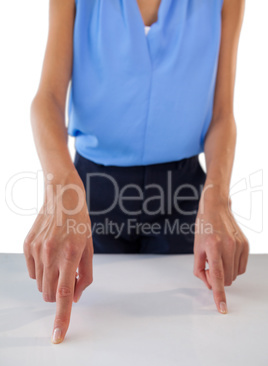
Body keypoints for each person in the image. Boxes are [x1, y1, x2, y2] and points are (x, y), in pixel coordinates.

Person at [23, 0, 249, 344]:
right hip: (89, 195)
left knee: (191, 338)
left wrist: (217, 195)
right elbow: (48, 99)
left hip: (185, 197)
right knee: (96, 336)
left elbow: (222, 114)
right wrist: (60, 186)